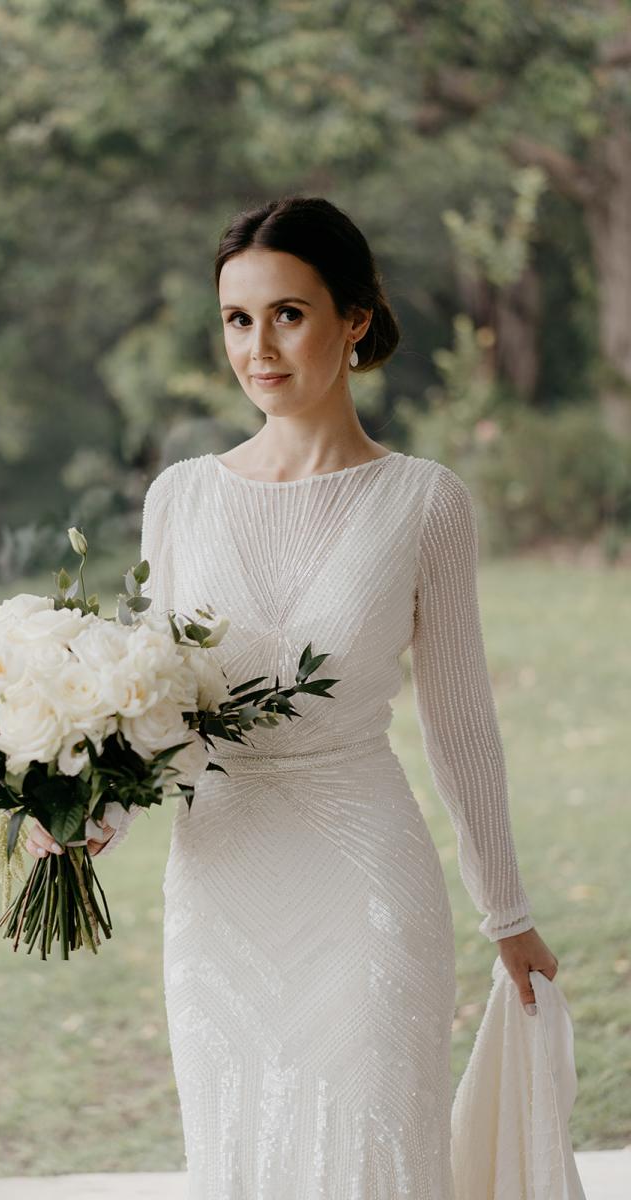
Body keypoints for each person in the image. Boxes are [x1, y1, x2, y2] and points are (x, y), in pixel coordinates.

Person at [30, 195, 559, 1198]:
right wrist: (83, 813)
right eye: (237, 319)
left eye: (287, 314)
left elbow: (457, 723)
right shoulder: (179, 498)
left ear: (352, 318)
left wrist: (504, 910)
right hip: (218, 885)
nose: (257, 347)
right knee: (242, 1156)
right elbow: (147, 708)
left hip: (365, 880)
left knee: (370, 1150)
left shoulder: (423, 501)